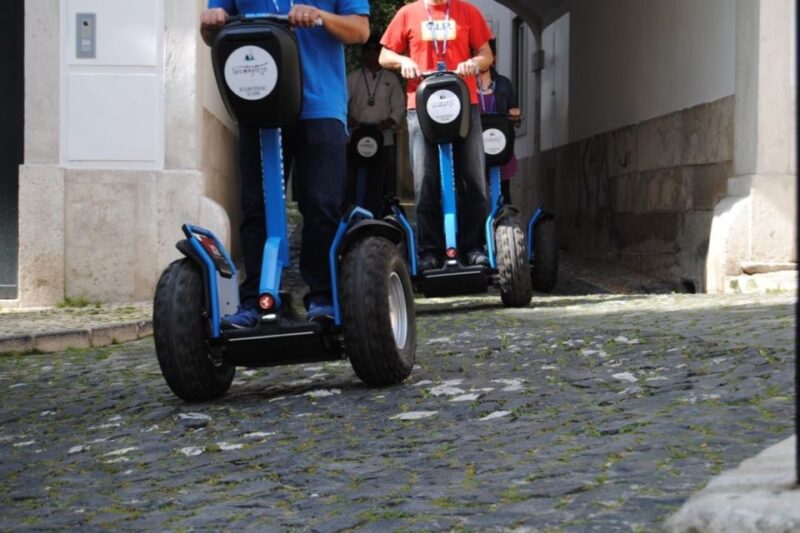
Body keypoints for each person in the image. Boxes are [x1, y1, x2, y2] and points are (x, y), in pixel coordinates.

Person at [200, 0, 370, 328]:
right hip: (258, 101)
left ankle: (322, 295)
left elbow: (360, 30)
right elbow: (213, 34)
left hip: (320, 104)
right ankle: (256, 298)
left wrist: (319, 16)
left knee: (321, 205)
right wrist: (211, 22)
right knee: (256, 207)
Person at [379, 0, 494, 270]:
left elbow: (486, 54)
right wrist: (403, 61)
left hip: (465, 103)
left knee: (474, 177)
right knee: (425, 179)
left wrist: (472, 63)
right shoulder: (408, 14)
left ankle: (473, 247)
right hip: (420, 104)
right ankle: (430, 249)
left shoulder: (467, 11)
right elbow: (385, 56)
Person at [346, 33, 405, 215]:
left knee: (379, 181)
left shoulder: (391, 79)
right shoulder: (353, 77)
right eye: (368, 49)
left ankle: (376, 216)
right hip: (356, 137)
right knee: (353, 179)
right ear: (363, 53)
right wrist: (348, 118)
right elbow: (342, 102)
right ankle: (352, 214)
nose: (372, 53)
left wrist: (391, 121)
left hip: (383, 138)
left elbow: (399, 105)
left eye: (376, 49)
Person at [478, 38, 521, 205]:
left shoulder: (504, 83)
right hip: (475, 151)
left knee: (503, 198)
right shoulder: (464, 84)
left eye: (485, 55)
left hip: (498, 147)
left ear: (493, 58)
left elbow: (514, 116)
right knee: (475, 200)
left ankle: (504, 228)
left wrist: (515, 114)